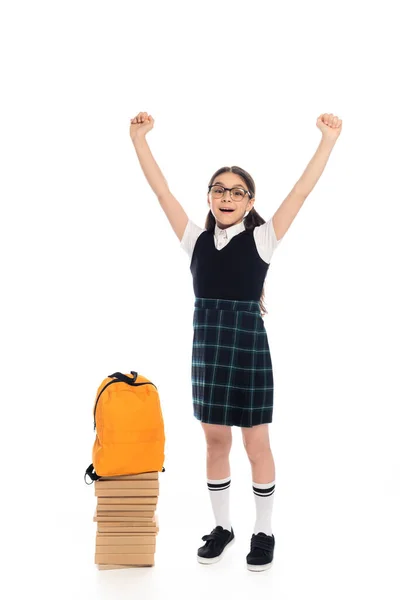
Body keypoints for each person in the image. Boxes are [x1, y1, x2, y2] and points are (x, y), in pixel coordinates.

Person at [130, 111, 342, 572]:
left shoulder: (263, 239)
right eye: (219, 189)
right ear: (209, 197)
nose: (227, 196)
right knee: (214, 443)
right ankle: (223, 527)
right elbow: (161, 190)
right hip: (207, 351)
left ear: (249, 203)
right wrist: (139, 139)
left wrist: (327, 141)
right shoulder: (195, 240)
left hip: (248, 350)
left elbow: (301, 192)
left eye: (237, 191)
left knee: (256, 443)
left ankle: (263, 531)